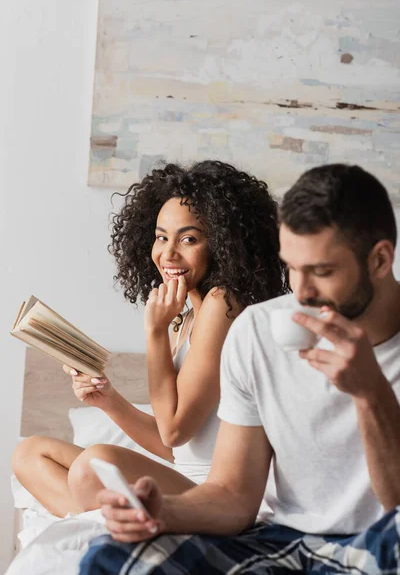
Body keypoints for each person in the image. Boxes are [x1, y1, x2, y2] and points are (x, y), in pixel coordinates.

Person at [79, 163, 400, 575]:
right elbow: (233, 495)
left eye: (321, 272)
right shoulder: (257, 330)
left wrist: (371, 394)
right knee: (109, 557)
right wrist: (165, 512)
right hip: (287, 541)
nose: (300, 293)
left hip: (383, 543)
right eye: (293, 268)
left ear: (380, 260)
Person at [12, 160, 289, 517]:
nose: (168, 254)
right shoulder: (186, 318)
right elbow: (171, 447)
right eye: (161, 237)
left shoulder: (225, 304)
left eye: (188, 239)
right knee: (30, 454)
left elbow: (174, 432)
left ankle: (103, 525)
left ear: (222, 244)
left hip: (213, 494)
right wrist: (108, 400)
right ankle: (105, 525)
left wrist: (155, 330)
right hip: (180, 475)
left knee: (94, 463)